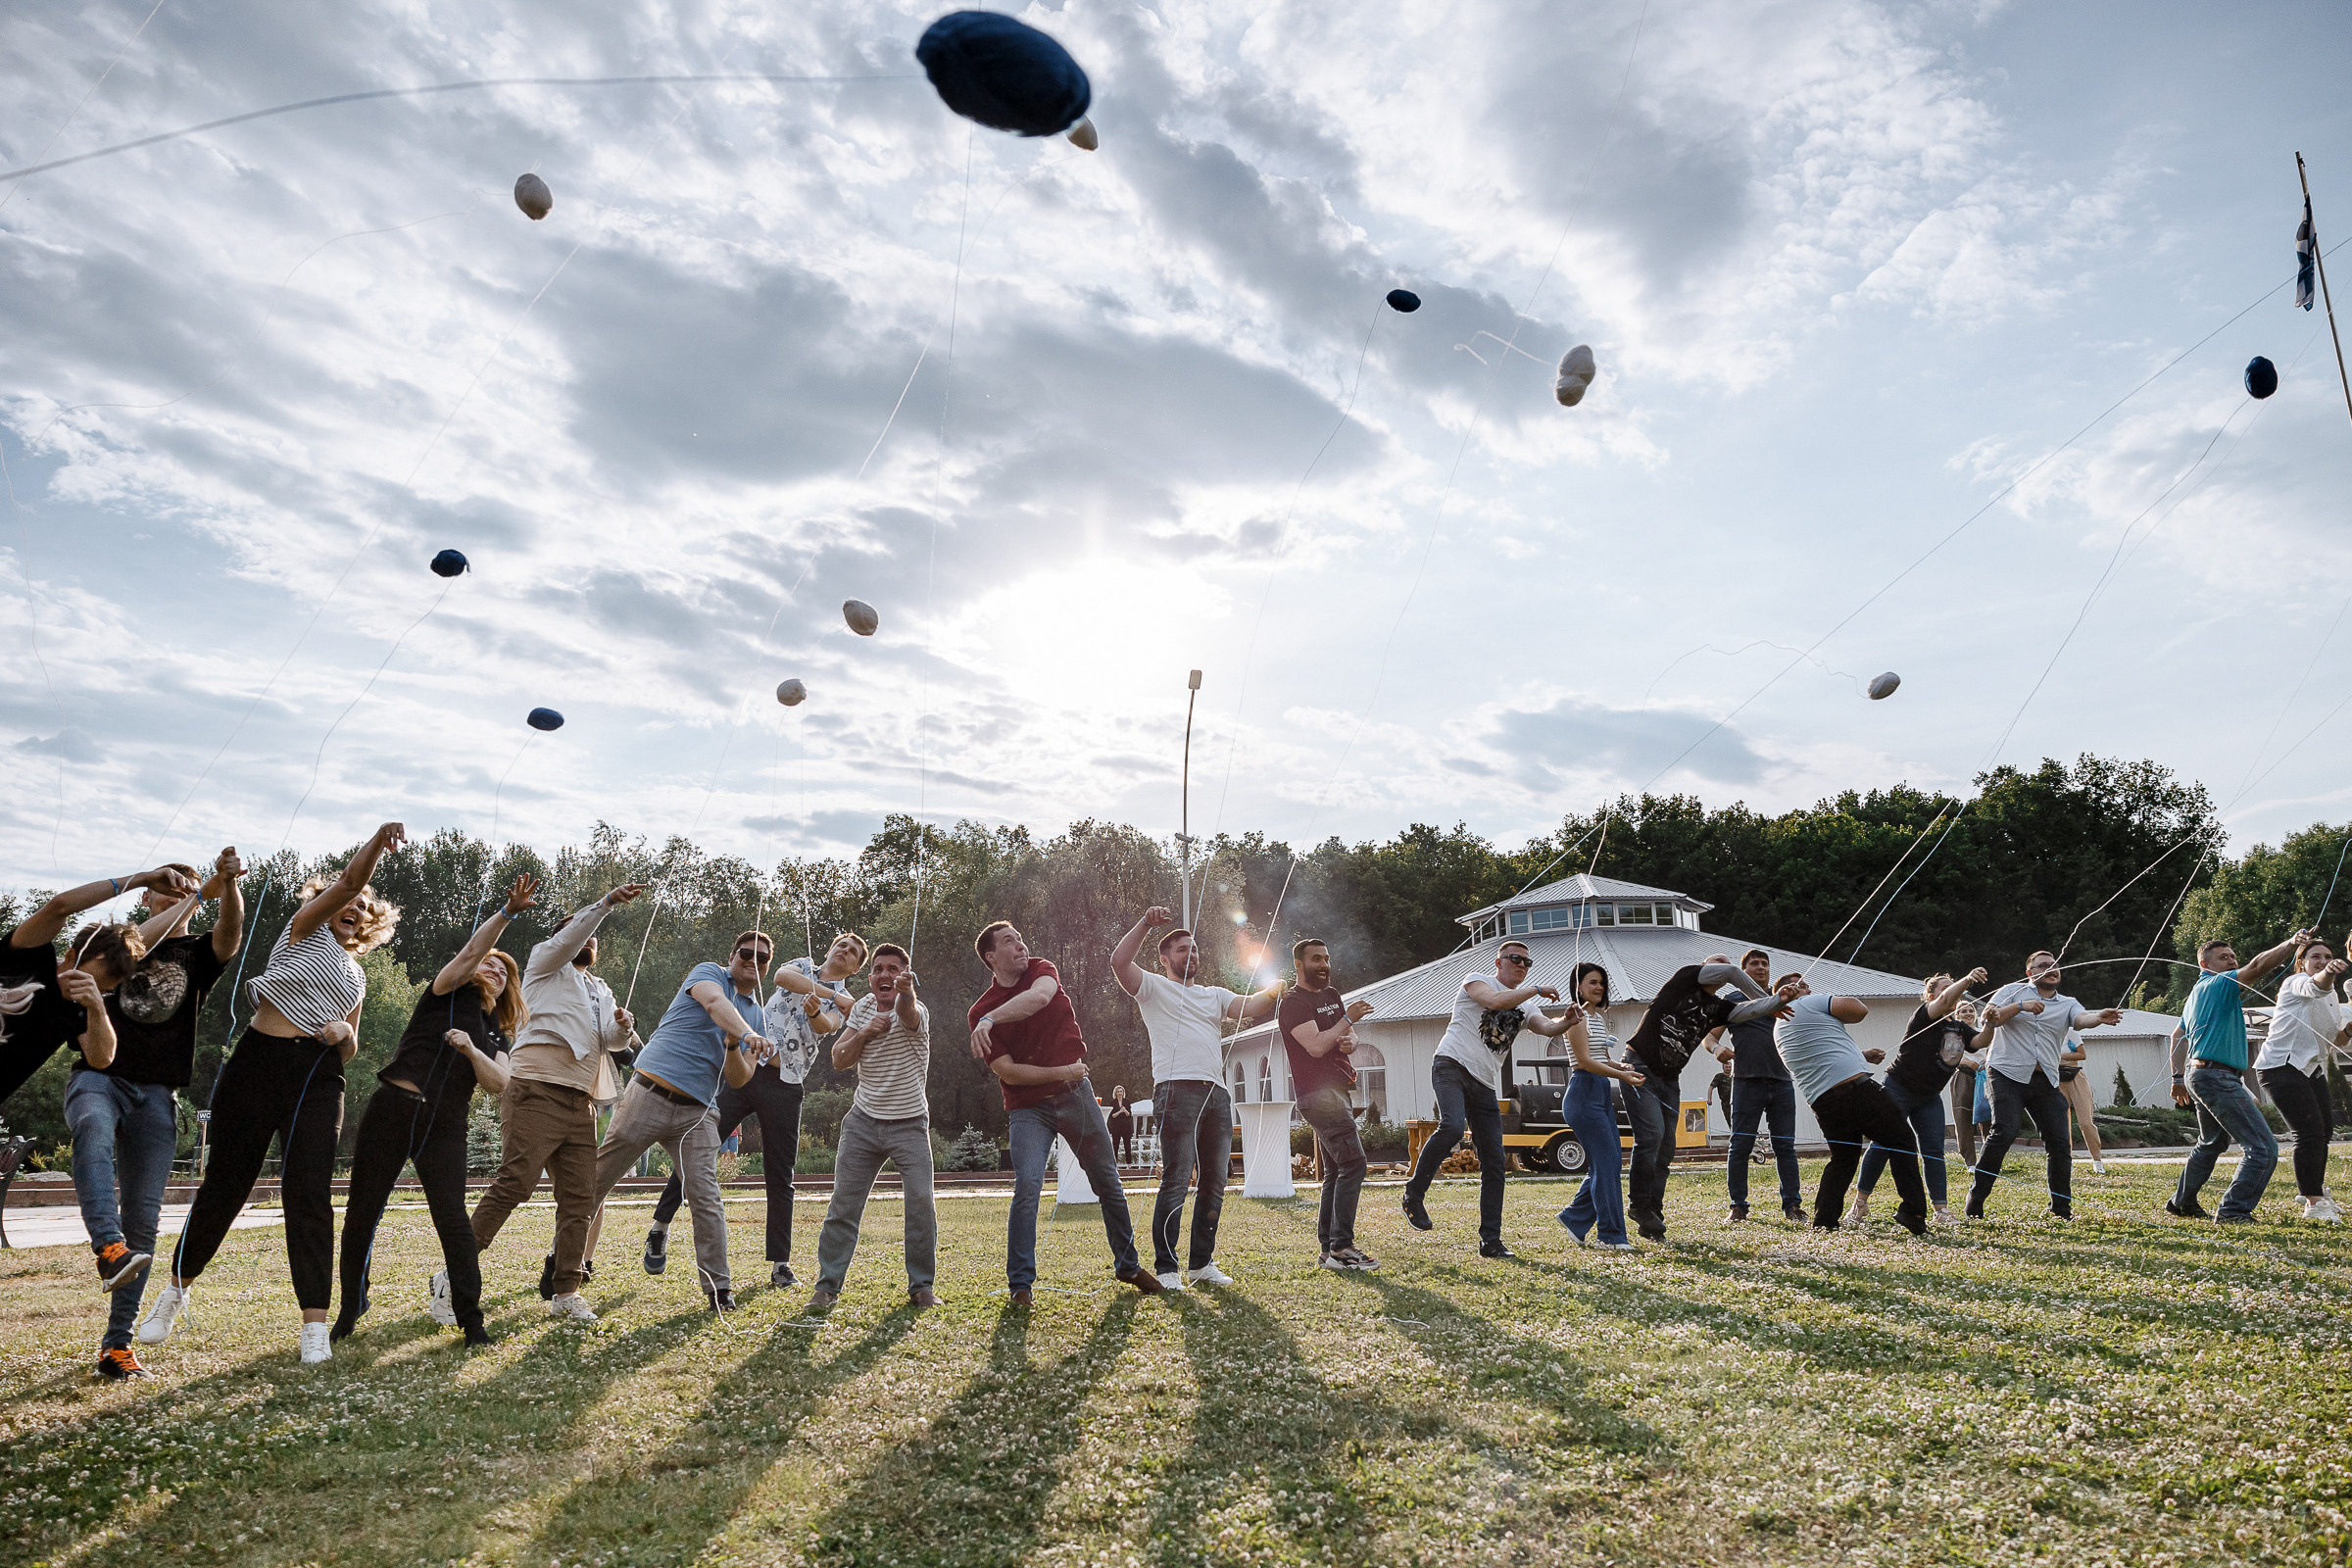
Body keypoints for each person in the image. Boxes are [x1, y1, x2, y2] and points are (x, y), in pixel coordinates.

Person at [144, 821, 407, 1365]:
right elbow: (349, 880)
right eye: (347, 901)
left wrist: (346, 1033)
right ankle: (174, 1291)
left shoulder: (356, 976)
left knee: (308, 1192)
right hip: (257, 1063)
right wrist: (378, 845)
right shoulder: (302, 929)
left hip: (318, 1076)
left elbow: (351, 1045)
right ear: (325, 904)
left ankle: (314, 1326)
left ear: (367, 925)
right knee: (227, 1184)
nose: (354, 907)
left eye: (362, 908)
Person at [334, 875, 532, 1347]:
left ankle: (472, 1321)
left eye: (504, 971)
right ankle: (348, 1309)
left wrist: (472, 1050)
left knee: (453, 1220)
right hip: (393, 1109)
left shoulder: (496, 1034)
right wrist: (506, 914)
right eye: (489, 963)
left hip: (444, 1126)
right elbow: (470, 953)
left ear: (509, 988)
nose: (494, 970)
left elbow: (499, 1082)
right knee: (363, 1212)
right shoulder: (446, 990)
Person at [71, 849, 244, 1380]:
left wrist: (228, 885)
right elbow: (134, 947)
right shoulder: (113, 944)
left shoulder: (196, 953)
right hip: (99, 1078)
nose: (177, 896)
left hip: (157, 1095)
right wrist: (196, 894)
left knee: (144, 1220)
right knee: (92, 1129)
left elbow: (230, 934)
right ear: (146, 896)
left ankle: (117, 1348)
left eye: (186, 890)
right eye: (167, 888)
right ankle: (108, 1247)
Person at [643, 931, 860, 1289]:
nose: (845, 951)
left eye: (852, 952)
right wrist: (829, 994)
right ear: (830, 949)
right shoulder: (803, 966)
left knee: (780, 1174)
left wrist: (817, 1010)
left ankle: (780, 1264)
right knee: (697, 1150)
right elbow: (781, 978)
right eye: (842, 945)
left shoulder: (846, 1002)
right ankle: (659, 1228)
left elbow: (828, 1026)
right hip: (746, 1070)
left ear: (854, 967)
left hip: (786, 1083)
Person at [469, 883, 646, 1322]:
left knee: (580, 1198)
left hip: (581, 1100)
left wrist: (623, 1026)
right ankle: (457, 1271)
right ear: (562, 937)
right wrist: (604, 904)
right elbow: (570, 938)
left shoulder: (600, 988)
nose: (588, 939)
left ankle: (566, 1291)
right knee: (516, 1183)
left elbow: (610, 1041)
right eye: (579, 931)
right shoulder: (545, 963)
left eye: (593, 938)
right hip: (535, 1087)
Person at [966, 920, 1162, 1301]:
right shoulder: (979, 1011)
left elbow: (1039, 998)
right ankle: (1020, 1285)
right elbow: (1009, 1072)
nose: (1020, 945)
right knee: (1028, 1186)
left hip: (1076, 1096)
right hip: (1028, 1108)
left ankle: (1129, 1266)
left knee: (1108, 1181)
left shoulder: (1041, 970)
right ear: (991, 957)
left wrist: (992, 1020)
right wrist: (1062, 1072)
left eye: (1020, 938)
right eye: (1009, 941)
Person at [585, 929, 772, 1311]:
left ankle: (719, 1289)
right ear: (732, 956)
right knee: (596, 1183)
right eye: (746, 953)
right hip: (649, 1093)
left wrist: (734, 1045)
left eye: (762, 957)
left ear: (767, 967)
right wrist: (745, 1032)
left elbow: (739, 1078)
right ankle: (563, 1261)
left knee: (707, 1198)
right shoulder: (708, 973)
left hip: (698, 1113)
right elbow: (714, 1003)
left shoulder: (758, 1015)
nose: (753, 960)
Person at [1109, 906, 1280, 1289]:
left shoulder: (1213, 995)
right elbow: (1119, 962)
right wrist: (1145, 923)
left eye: (1195, 949)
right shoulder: (1153, 988)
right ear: (1164, 958)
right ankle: (1167, 1269)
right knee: (1176, 1179)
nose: (1192, 954)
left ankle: (1201, 1264)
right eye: (1183, 949)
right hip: (1175, 1091)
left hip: (1216, 1094)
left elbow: (1250, 1006)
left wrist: (1272, 990)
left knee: (1214, 1182)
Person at [1399, 941, 1574, 1259]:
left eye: (1527, 963)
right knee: (1453, 1126)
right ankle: (1414, 1193)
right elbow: (1493, 1002)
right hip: (1451, 1064)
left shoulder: (1527, 1007)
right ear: (1498, 962)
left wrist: (1567, 1021)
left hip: (1484, 1083)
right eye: (1515, 958)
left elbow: (1548, 1028)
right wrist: (1536, 989)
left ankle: (1490, 1241)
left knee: (1495, 1161)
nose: (1521, 965)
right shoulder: (1476, 980)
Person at [2, 864, 200, 1104]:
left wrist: (97, 1006)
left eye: (103, 989)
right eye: (86, 979)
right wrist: (142, 879)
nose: (85, 990)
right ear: (71, 956)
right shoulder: (29, 956)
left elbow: (102, 1059)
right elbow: (60, 906)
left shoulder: (79, 1010)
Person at [808, 944, 935, 1309]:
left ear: (905, 976)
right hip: (862, 1123)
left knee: (921, 1203)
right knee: (843, 1205)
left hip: (909, 1123)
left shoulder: (915, 1009)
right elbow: (838, 1059)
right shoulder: (863, 1007)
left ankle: (921, 1287)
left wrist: (906, 994)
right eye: (878, 969)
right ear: (870, 977)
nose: (885, 974)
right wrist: (864, 1032)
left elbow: (907, 1012)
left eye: (893, 969)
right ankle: (827, 1287)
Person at [1621, 954, 1780, 1241]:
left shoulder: (1720, 1008)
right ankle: (1639, 1204)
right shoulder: (1685, 979)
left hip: (1670, 1079)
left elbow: (1752, 1011)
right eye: (1716, 965)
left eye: (1724, 966)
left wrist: (1781, 1000)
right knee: (1651, 1136)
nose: (1722, 970)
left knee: (1666, 1148)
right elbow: (1734, 974)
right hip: (1639, 1067)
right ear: (1704, 969)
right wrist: (1769, 998)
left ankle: (1652, 1216)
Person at [2167, 928, 2309, 1223]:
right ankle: (2233, 1211)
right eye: (2223, 957)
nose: (2232, 961)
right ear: (2204, 964)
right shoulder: (2218, 983)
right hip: (2215, 1077)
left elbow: (2177, 1035)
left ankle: (2181, 1203)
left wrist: (2178, 1078)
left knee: (2211, 1143)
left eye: (2233, 956)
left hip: (2201, 1074)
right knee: (2263, 1148)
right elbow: (2256, 967)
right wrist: (2291, 942)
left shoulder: (2196, 994)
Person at [1969, 953, 2122, 1221]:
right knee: (2004, 1131)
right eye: (2043, 966)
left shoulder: (2068, 1003)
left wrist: (2099, 1017)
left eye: (2055, 966)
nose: (2051, 969)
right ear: (2029, 973)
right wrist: (2021, 1007)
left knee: (2060, 1142)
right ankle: (1975, 1202)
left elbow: (2081, 1019)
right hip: (2006, 1073)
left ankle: (2061, 1210)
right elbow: (1990, 1019)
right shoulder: (2011, 991)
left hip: (2046, 1079)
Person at [1772, 975, 1928, 1235]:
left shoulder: (1779, 1027)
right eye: (1801, 985)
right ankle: (1913, 1212)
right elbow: (1859, 1010)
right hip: (1855, 1091)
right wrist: (1814, 998)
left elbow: (1821, 1053)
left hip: (1823, 1102)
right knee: (1902, 1140)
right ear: (1787, 992)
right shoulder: (1806, 1003)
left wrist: (1861, 1055)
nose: (1808, 988)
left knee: (1843, 1159)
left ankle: (1824, 1220)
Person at [1851, 969, 1986, 1225]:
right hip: (1898, 1088)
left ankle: (1941, 1211)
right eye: (1946, 987)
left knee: (1934, 1151)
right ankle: (1859, 1204)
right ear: (1931, 996)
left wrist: (1991, 1022)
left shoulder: (1959, 1027)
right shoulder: (1924, 1014)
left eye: (1954, 986)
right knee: (1882, 1144)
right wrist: (1967, 979)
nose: (1952, 991)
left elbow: (1980, 1041)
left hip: (1929, 1097)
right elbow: (1945, 1000)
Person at [1278, 937, 1377, 1270]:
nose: (1324, 965)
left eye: (1326, 958)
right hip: (1317, 1094)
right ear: (1299, 965)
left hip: (1338, 1090)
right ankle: (1342, 1248)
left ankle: (1327, 1249)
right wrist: (1348, 1019)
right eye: (1316, 959)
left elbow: (1343, 1035)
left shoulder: (1331, 995)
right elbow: (1318, 1046)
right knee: (1354, 1164)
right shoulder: (1293, 1003)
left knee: (1336, 1170)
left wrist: (1352, 1041)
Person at [1554, 962, 1648, 1251]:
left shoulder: (1597, 1018)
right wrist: (1622, 1077)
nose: (1599, 987)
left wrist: (1622, 1067)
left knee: (1609, 1163)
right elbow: (1583, 1062)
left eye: (1601, 983)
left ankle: (1574, 1218)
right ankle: (1610, 1235)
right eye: (1592, 982)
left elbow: (1602, 1058)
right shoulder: (1576, 1018)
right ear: (1578, 987)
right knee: (1606, 1164)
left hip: (1601, 1092)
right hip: (1583, 1092)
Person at [2257, 937, 2351, 1222]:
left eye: (2328, 956)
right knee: (2308, 1133)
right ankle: (2313, 1202)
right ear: (2301, 962)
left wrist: (2349, 1030)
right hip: (2281, 1067)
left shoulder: (2332, 997)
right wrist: (2329, 972)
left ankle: (2315, 1190)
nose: (2323, 961)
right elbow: (2316, 986)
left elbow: (2334, 1041)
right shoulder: (2295, 983)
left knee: (2324, 1131)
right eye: (2316, 957)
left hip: (2310, 1069)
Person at [1709, 949, 1805, 1225]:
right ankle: (1738, 1207)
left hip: (1781, 1081)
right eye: (1754, 964)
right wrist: (1716, 1049)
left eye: (1765, 963)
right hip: (1746, 1082)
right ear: (1743, 971)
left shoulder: (1783, 999)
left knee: (1785, 1146)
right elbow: (1710, 1036)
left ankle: (1792, 1206)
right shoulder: (1732, 1000)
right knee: (1740, 1145)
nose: (1761, 967)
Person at [2056, 1031, 2108, 1176]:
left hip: (2075, 1075)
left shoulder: (2070, 1032)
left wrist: (2059, 1055)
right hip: (2056, 1077)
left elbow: (2082, 1055)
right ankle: (2066, 1162)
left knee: (2086, 1122)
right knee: (2061, 1124)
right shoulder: (2046, 1033)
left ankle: (2097, 1160)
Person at [1107, 1086, 1136, 1165]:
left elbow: (1129, 1115)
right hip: (1116, 1127)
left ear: (1123, 1092)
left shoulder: (1127, 1102)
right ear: (1115, 1093)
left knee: (1127, 1145)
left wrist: (1125, 1111)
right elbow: (1112, 1116)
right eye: (1118, 1091)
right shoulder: (1112, 1103)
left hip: (1126, 1127)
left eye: (1121, 1091)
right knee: (1115, 1145)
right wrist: (1120, 1111)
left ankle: (1129, 1164)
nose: (1120, 1093)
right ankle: (1114, 1164)